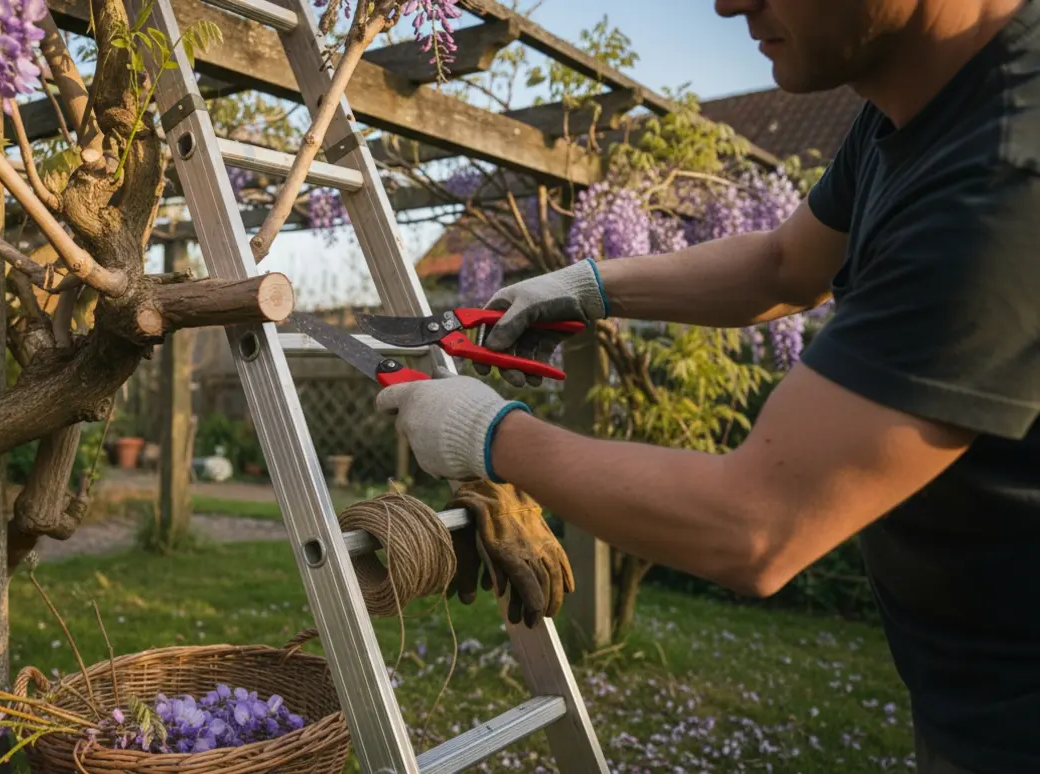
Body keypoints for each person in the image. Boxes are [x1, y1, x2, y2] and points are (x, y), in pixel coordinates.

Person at [374, 1, 1040, 772]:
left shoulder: (1005, 184)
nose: (727, 3)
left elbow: (754, 526)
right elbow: (786, 266)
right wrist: (591, 282)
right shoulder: (917, 104)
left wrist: (489, 434)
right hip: (969, 698)